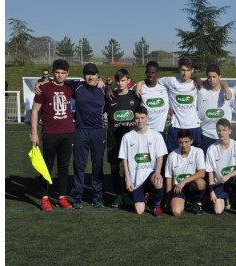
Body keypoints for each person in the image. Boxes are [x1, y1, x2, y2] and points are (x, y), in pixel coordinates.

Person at [30, 59, 74, 211]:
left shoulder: (70, 88)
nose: (60, 75)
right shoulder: (44, 88)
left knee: (63, 167)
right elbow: (35, 111)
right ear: (53, 72)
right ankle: (44, 197)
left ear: (67, 73)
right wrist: (34, 133)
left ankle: (61, 197)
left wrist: (100, 81)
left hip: (68, 133)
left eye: (63, 73)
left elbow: (90, 83)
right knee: (46, 167)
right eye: (57, 72)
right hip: (50, 133)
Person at [66, 63, 108, 208]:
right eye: (87, 74)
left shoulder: (104, 89)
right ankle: (77, 196)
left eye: (93, 74)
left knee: (97, 165)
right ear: (84, 75)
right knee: (79, 165)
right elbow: (59, 81)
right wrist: (43, 83)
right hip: (80, 130)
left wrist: (103, 81)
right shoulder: (77, 86)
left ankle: (98, 196)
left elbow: (117, 87)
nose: (90, 76)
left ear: (97, 75)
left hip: (98, 131)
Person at [119, 106, 168, 216]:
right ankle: (146, 193)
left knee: (158, 181)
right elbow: (125, 160)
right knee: (140, 211)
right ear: (134, 118)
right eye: (137, 118)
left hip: (151, 172)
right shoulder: (127, 137)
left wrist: (158, 172)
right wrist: (127, 179)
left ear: (147, 118)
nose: (140, 121)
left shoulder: (156, 135)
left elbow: (160, 156)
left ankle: (156, 205)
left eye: (142, 118)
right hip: (136, 177)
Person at [104, 69, 140, 208]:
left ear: (128, 81)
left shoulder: (135, 97)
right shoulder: (110, 96)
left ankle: (127, 194)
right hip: (114, 139)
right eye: (118, 81)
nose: (120, 83)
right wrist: (108, 89)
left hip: (131, 141)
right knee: (114, 168)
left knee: (130, 169)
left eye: (123, 80)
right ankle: (118, 195)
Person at [206, 118, 236, 216]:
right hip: (219, 183)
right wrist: (211, 191)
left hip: (232, 180)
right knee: (218, 211)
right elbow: (210, 171)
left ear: (230, 131)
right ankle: (226, 197)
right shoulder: (211, 149)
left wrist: (228, 176)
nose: (221, 133)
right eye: (219, 130)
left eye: (224, 130)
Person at [165, 129, 206, 216]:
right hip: (178, 188)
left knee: (200, 183)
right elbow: (169, 179)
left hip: (192, 186)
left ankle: (194, 202)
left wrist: (183, 182)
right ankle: (185, 203)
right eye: (181, 142)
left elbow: (202, 173)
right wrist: (167, 199)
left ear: (191, 141)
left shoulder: (198, 152)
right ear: (178, 142)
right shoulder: (172, 156)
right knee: (176, 212)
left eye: (186, 142)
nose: (183, 145)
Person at [197, 64, 233, 154]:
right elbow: (196, 78)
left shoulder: (228, 92)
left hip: (223, 135)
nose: (211, 80)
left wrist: (226, 87)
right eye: (209, 77)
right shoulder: (202, 92)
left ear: (219, 77)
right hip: (206, 134)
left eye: (214, 77)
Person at [136, 61, 169, 138]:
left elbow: (181, 81)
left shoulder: (165, 87)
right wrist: (110, 89)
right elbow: (124, 91)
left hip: (159, 131)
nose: (150, 75)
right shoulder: (140, 87)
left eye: (153, 72)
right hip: (144, 130)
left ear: (158, 73)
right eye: (148, 72)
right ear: (145, 73)